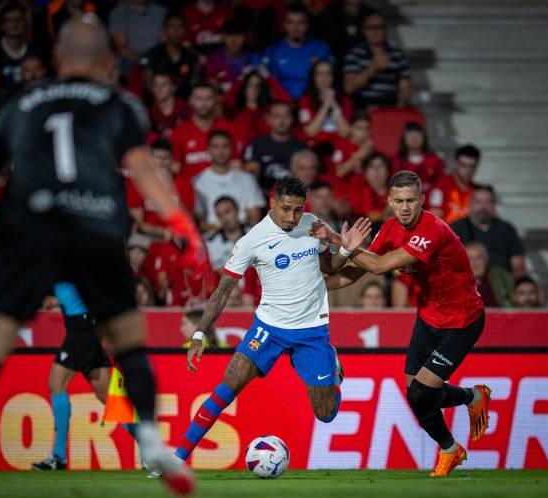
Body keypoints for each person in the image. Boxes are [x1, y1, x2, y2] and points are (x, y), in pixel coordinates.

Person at [0, 15, 202, 498]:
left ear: (55, 58)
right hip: (96, 228)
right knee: (131, 349)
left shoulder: (22, 101)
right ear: (108, 61)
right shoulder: (120, 102)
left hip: (31, 231)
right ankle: (154, 444)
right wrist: (181, 223)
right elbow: (142, 169)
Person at [170, 176, 353, 471]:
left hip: (311, 331)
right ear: (272, 203)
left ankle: (332, 370)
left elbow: (329, 268)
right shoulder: (251, 240)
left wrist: (341, 249)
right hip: (268, 329)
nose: (292, 217)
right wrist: (200, 334)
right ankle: (178, 458)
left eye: (297, 209)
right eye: (286, 209)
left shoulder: (312, 224)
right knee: (227, 387)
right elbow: (222, 291)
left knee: (326, 414)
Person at [321, 170, 491, 477]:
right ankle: (470, 403)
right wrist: (316, 285)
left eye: (411, 200)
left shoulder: (432, 230)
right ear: (389, 201)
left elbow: (379, 266)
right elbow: (355, 272)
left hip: (463, 321)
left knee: (419, 395)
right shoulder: (389, 228)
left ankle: (451, 447)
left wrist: (338, 241)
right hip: (428, 317)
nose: (405, 207)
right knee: (418, 396)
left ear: (422, 200)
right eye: (398, 201)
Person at [31, 282, 136, 470]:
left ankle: (58, 455)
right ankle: (151, 451)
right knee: (108, 398)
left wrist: (57, 299)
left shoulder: (70, 268)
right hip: (87, 327)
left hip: (82, 329)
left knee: (56, 383)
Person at [253, 3, 332, 99]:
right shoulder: (272, 51)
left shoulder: (321, 48)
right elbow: (267, 83)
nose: (296, 28)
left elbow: (332, 79)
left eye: (301, 23)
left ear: (307, 25)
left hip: (313, 101)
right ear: (284, 25)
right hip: (282, 102)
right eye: (291, 22)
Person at [193, 130, 266, 231]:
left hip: (244, 234)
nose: (221, 151)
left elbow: (255, 216)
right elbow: (199, 220)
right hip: (212, 236)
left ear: (231, 149)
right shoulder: (198, 181)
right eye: (216, 147)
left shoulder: (247, 179)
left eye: (225, 146)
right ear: (208, 150)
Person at [451, 185, 526, 278]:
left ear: (494, 205)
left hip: (502, 282)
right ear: (470, 204)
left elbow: (519, 266)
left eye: (488, 202)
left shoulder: (506, 229)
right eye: (478, 202)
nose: (483, 207)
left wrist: (508, 284)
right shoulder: (455, 229)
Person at [170, 82, 240, 180]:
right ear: (190, 100)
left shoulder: (229, 128)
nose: (203, 104)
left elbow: (235, 163)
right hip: (190, 187)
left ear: (215, 100)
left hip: (222, 186)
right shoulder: (179, 131)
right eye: (199, 99)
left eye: (208, 99)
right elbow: (175, 167)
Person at [343, 12, 411, 109]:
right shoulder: (354, 54)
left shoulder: (398, 55)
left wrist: (397, 109)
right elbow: (349, 87)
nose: (375, 31)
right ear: (363, 31)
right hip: (363, 108)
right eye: (370, 27)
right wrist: (373, 67)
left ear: (385, 30)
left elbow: (405, 89)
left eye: (379, 27)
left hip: (391, 108)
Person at [243, 101, 307, 192]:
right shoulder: (257, 144)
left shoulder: (301, 147)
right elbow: (250, 174)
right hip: (263, 194)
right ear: (269, 120)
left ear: (292, 119)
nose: (282, 121)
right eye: (277, 116)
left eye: (286, 116)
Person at [223, 68, 291, 150]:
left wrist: (269, 79)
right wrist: (240, 79)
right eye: (250, 85)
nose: (254, 89)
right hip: (240, 154)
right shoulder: (236, 111)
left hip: (266, 152)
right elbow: (226, 102)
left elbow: (286, 102)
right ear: (244, 87)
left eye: (258, 86)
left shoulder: (268, 111)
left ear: (262, 88)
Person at [140, 11, 202, 99]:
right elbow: (148, 87)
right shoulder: (152, 54)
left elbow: (195, 85)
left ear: (185, 30)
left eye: (180, 26)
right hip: (159, 102)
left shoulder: (191, 56)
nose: (176, 31)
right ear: (164, 29)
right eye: (171, 26)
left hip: (185, 103)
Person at [0, 3, 42, 94]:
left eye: (18, 19)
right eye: (9, 20)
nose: (15, 24)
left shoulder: (35, 50)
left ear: (24, 23)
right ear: (2, 26)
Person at [297, 60, 352, 145]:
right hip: (315, 146)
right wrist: (326, 104)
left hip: (339, 147)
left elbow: (345, 133)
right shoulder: (304, 101)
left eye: (328, 73)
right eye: (319, 73)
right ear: (313, 77)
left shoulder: (345, 101)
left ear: (333, 77)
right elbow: (310, 132)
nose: (324, 77)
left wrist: (334, 104)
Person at [108, 0, 167, 77]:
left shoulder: (162, 12)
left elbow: (164, 42)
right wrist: (143, 60)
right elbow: (121, 47)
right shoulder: (119, 13)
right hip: (130, 59)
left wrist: (152, 60)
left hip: (156, 57)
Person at [428, 144, 481, 224]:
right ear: (455, 163)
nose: (467, 170)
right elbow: (435, 222)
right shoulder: (440, 187)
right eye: (463, 165)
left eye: (471, 166)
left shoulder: (477, 190)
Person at [391, 122, 444, 192]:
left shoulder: (435, 161)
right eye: (410, 134)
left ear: (424, 137)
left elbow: (442, 185)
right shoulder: (395, 161)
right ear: (403, 138)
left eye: (418, 134)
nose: (414, 138)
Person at [205, 17, 253, 92]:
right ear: (223, 37)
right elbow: (213, 86)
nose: (234, 39)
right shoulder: (213, 59)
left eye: (238, 35)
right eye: (229, 34)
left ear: (245, 37)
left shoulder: (252, 58)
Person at [465, 241, 513, 308]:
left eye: (478, 258)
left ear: (486, 259)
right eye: (470, 258)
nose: (475, 263)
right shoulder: (457, 285)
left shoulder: (499, 278)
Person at [146, 73, 190, 140]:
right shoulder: (150, 112)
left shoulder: (185, 108)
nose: (159, 89)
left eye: (164, 85)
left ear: (174, 87)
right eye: (155, 85)